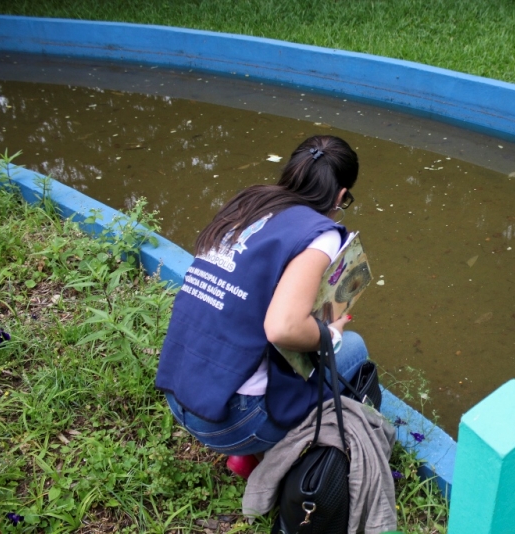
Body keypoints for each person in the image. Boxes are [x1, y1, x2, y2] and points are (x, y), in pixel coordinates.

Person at [155, 135, 368, 478]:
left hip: (180, 395)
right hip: (233, 420)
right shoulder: (321, 234)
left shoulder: (248, 203)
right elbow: (281, 328)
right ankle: (271, 452)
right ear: (341, 196)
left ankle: (250, 452)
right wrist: (329, 334)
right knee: (353, 348)